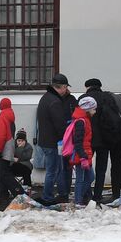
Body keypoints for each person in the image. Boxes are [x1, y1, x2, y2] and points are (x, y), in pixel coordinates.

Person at [83, 78, 121, 203]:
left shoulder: (83, 99)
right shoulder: (107, 98)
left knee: (86, 167)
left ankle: (86, 193)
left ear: (88, 87)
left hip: (88, 139)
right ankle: (97, 195)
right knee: (101, 169)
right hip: (104, 140)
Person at [36, 73, 75, 205]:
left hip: (45, 141)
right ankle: (49, 196)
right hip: (53, 142)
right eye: (65, 87)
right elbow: (59, 124)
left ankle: (58, 194)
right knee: (54, 170)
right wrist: (66, 138)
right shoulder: (55, 101)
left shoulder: (45, 98)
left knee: (53, 170)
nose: (66, 90)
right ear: (62, 87)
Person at [67, 95, 96, 206]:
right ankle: (78, 201)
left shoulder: (84, 120)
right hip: (82, 155)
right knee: (81, 179)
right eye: (93, 109)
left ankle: (79, 198)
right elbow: (78, 141)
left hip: (85, 154)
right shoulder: (81, 122)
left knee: (89, 177)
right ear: (87, 109)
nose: (95, 111)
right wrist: (83, 156)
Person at [0, 96, 17, 204]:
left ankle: (19, 193)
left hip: (4, 146)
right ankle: (2, 195)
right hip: (10, 145)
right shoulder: (10, 115)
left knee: (3, 173)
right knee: (2, 172)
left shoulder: (2, 117)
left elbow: (2, 135)